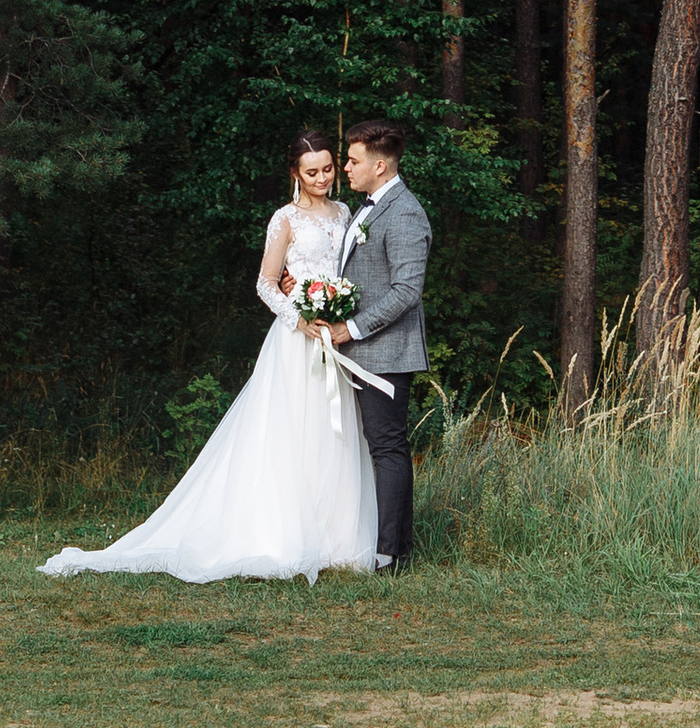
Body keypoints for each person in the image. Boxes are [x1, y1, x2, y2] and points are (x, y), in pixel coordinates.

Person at [38, 128, 377, 583]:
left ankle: (335, 537)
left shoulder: (345, 212)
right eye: (311, 171)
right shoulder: (285, 219)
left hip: (333, 338)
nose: (322, 178)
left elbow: (348, 272)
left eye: (329, 169)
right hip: (296, 341)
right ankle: (280, 532)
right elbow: (264, 282)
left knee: (331, 433)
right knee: (290, 432)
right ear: (294, 172)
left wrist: (336, 307)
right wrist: (299, 317)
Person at [338, 116, 432, 573]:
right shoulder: (370, 207)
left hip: (386, 354)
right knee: (373, 446)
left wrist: (350, 328)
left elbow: (406, 291)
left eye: (353, 160)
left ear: (379, 165)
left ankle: (392, 554)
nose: (346, 167)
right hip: (362, 353)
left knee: (388, 448)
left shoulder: (406, 212)